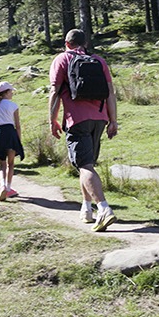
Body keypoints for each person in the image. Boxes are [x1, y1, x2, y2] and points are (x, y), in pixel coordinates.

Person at [48, 29, 119, 232]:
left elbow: (55, 93)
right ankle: (86, 209)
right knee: (86, 166)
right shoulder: (98, 60)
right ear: (84, 42)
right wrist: (113, 120)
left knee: (85, 165)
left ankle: (103, 209)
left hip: (76, 120)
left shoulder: (62, 59)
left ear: (66, 43)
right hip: (100, 118)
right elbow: (110, 93)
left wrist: (52, 120)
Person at [0, 81, 24, 201]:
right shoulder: (13, 105)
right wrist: (18, 139)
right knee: (11, 163)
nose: (12, 93)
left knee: (2, 164)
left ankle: (2, 185)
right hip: (10, 133)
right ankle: (8, 188)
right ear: (6, 92)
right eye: (11, 91)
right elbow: (17, 125)